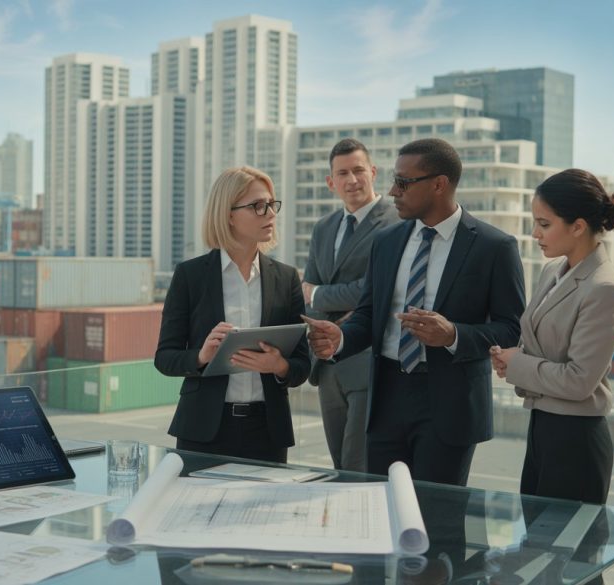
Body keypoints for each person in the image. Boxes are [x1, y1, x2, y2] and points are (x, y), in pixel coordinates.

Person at [304, 138, 525, 485]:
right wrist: (341, 337)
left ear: (439, 184)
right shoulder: (387, 242)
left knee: (438, 521)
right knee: (380, 513)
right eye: (394, 180)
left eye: (404, 183)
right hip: (386, 396)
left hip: (449, 403)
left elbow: (511, 329)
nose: (393, 191)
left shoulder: (494, 247)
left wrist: (453, 335)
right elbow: (367, 315)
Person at [490, 168, 614, 505]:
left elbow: (579, 381)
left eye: (544, 224)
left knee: (566, 553)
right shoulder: (552, 271)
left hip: (576, 442)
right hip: (542, 429)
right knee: (536, 546)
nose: (534, 233)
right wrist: (512, 362)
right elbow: (542, 351)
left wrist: (519, 364)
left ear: (578, 226)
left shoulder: (604, 288)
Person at [154, 166, 310, 464]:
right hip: (203, 432)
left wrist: (279, 366)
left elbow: (303, 365)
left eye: (271, 204)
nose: (270, 214)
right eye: (257, 206)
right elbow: (165, 358)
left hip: (268, 432)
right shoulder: (190, 276)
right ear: (228, 214)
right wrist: (202, 356)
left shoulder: (287, 278)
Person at [302, 138, 399, 472]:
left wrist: (319, 295)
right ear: (331, 182)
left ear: (373, 172)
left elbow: (372, 289)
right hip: (327, 366)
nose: (352, 180)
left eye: (359, 170)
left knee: (360, 468)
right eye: (342, 173)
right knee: (339, 464)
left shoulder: (395, 223)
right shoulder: (323, 228)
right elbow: (306, 290)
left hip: (368, 363)